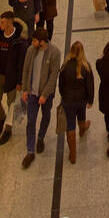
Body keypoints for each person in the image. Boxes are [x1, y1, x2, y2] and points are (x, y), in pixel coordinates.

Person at [18, 26, 61, 168]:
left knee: (46, 116)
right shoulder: (31, 51)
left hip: (46, 94)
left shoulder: (54, 53)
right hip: (32, 93)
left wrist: (45, 95)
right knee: (31, 121)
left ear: (42, 42)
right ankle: (30, 150)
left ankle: (41, 137)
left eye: (35, 41)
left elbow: (53, 77)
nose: (32, 43)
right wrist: (25, 89)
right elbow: (25, 70)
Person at [0, 11, 28, 145]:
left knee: (12, 105)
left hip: (12, 78)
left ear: (10, 22)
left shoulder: (19, 40)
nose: (0, 25)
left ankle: (8, 129)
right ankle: (1, 117)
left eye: (3, 22)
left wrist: (20, 81)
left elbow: (22, 62)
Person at [58, 42, 94, 164]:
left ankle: (73, 153)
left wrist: (63, 95)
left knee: (70, 124)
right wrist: (90, 100)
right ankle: (82, 129)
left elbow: (61, 85)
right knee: (81, 115)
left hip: (68, 100)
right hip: (81, 99)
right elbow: (90, 85)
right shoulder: (86, 66)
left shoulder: (65, 66)